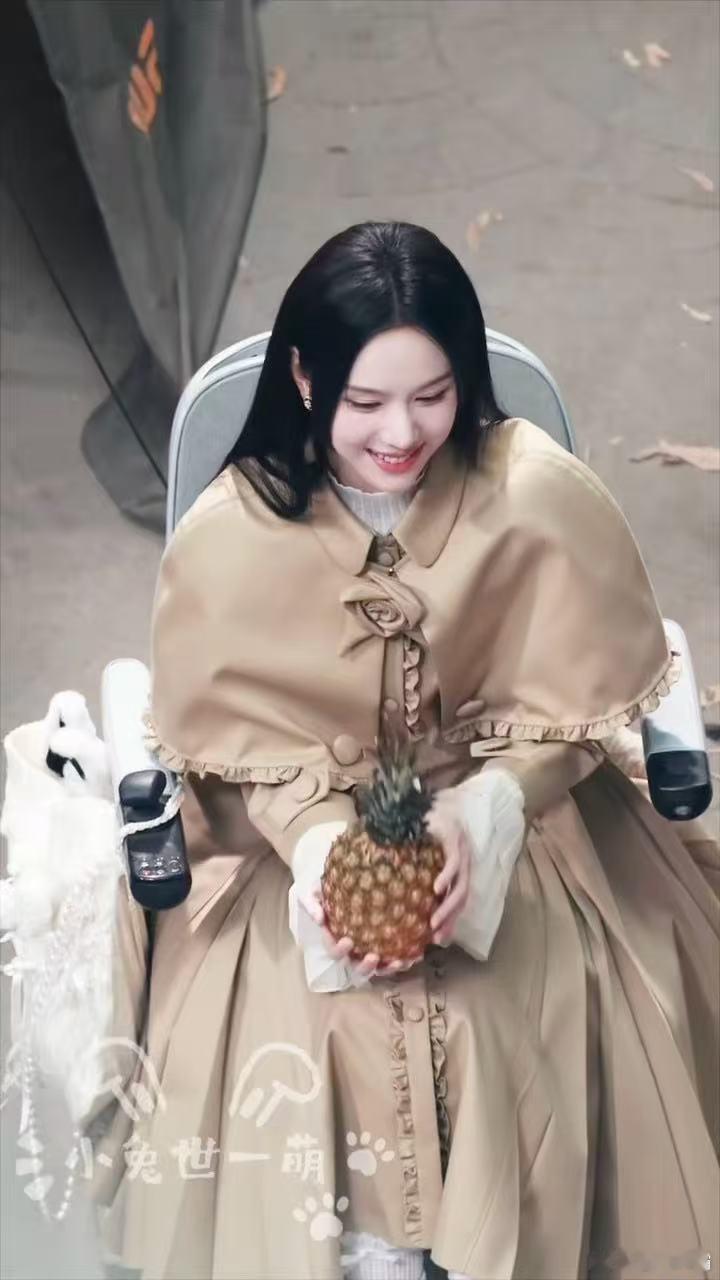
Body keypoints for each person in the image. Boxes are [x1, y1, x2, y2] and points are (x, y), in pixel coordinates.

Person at [87, 221, 718, 1279]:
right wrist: (319, 844)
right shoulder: (233, 532)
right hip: (290, 849)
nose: (402, 432)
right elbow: (234, 752)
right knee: (310, 1035)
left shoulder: (536, 493)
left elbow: (578, 713)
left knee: (518, 1022)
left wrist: (497, 803)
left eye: (432, 395)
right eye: (366, 401)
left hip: (518, 823)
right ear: (304, 376)